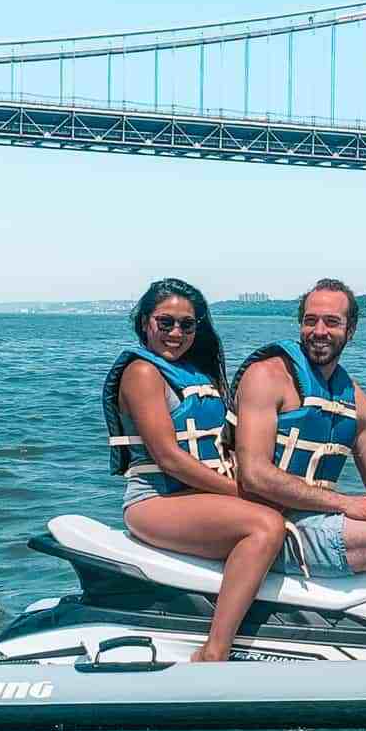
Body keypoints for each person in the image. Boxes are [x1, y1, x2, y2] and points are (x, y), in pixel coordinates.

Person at [227, 278, 366, 659]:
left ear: (350, 330)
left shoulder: (355, 400)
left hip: (313, 520)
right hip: (271, 528)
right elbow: (254, 474)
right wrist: (344, 503)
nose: (319, 332)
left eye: (331, 322)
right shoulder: (268, 377)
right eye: (311, 321)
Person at [103, 278, 284, 662]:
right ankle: (215, 650)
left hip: (198, 497)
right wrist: (241, 491)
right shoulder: (142, 373)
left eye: (187, 325)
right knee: (265, 525)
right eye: (165, 322)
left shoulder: (196, 374)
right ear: (145, 322)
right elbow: (168, 457)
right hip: (155, 500)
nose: (176, 333)